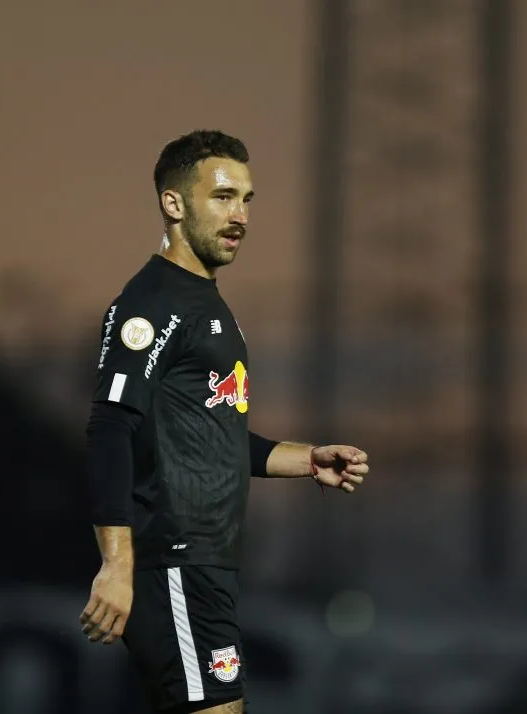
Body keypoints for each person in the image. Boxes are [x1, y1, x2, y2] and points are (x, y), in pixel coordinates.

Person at [80, 129, 369, 714]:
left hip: (208, 563)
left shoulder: (206, 304)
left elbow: (214, 436)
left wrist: (305, 459)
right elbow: (111, 427)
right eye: (223, 197)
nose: (240, 215)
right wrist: (116, 564)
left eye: (247, 199)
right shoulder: (151, 302)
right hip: (173, 560)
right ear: (174, 204)